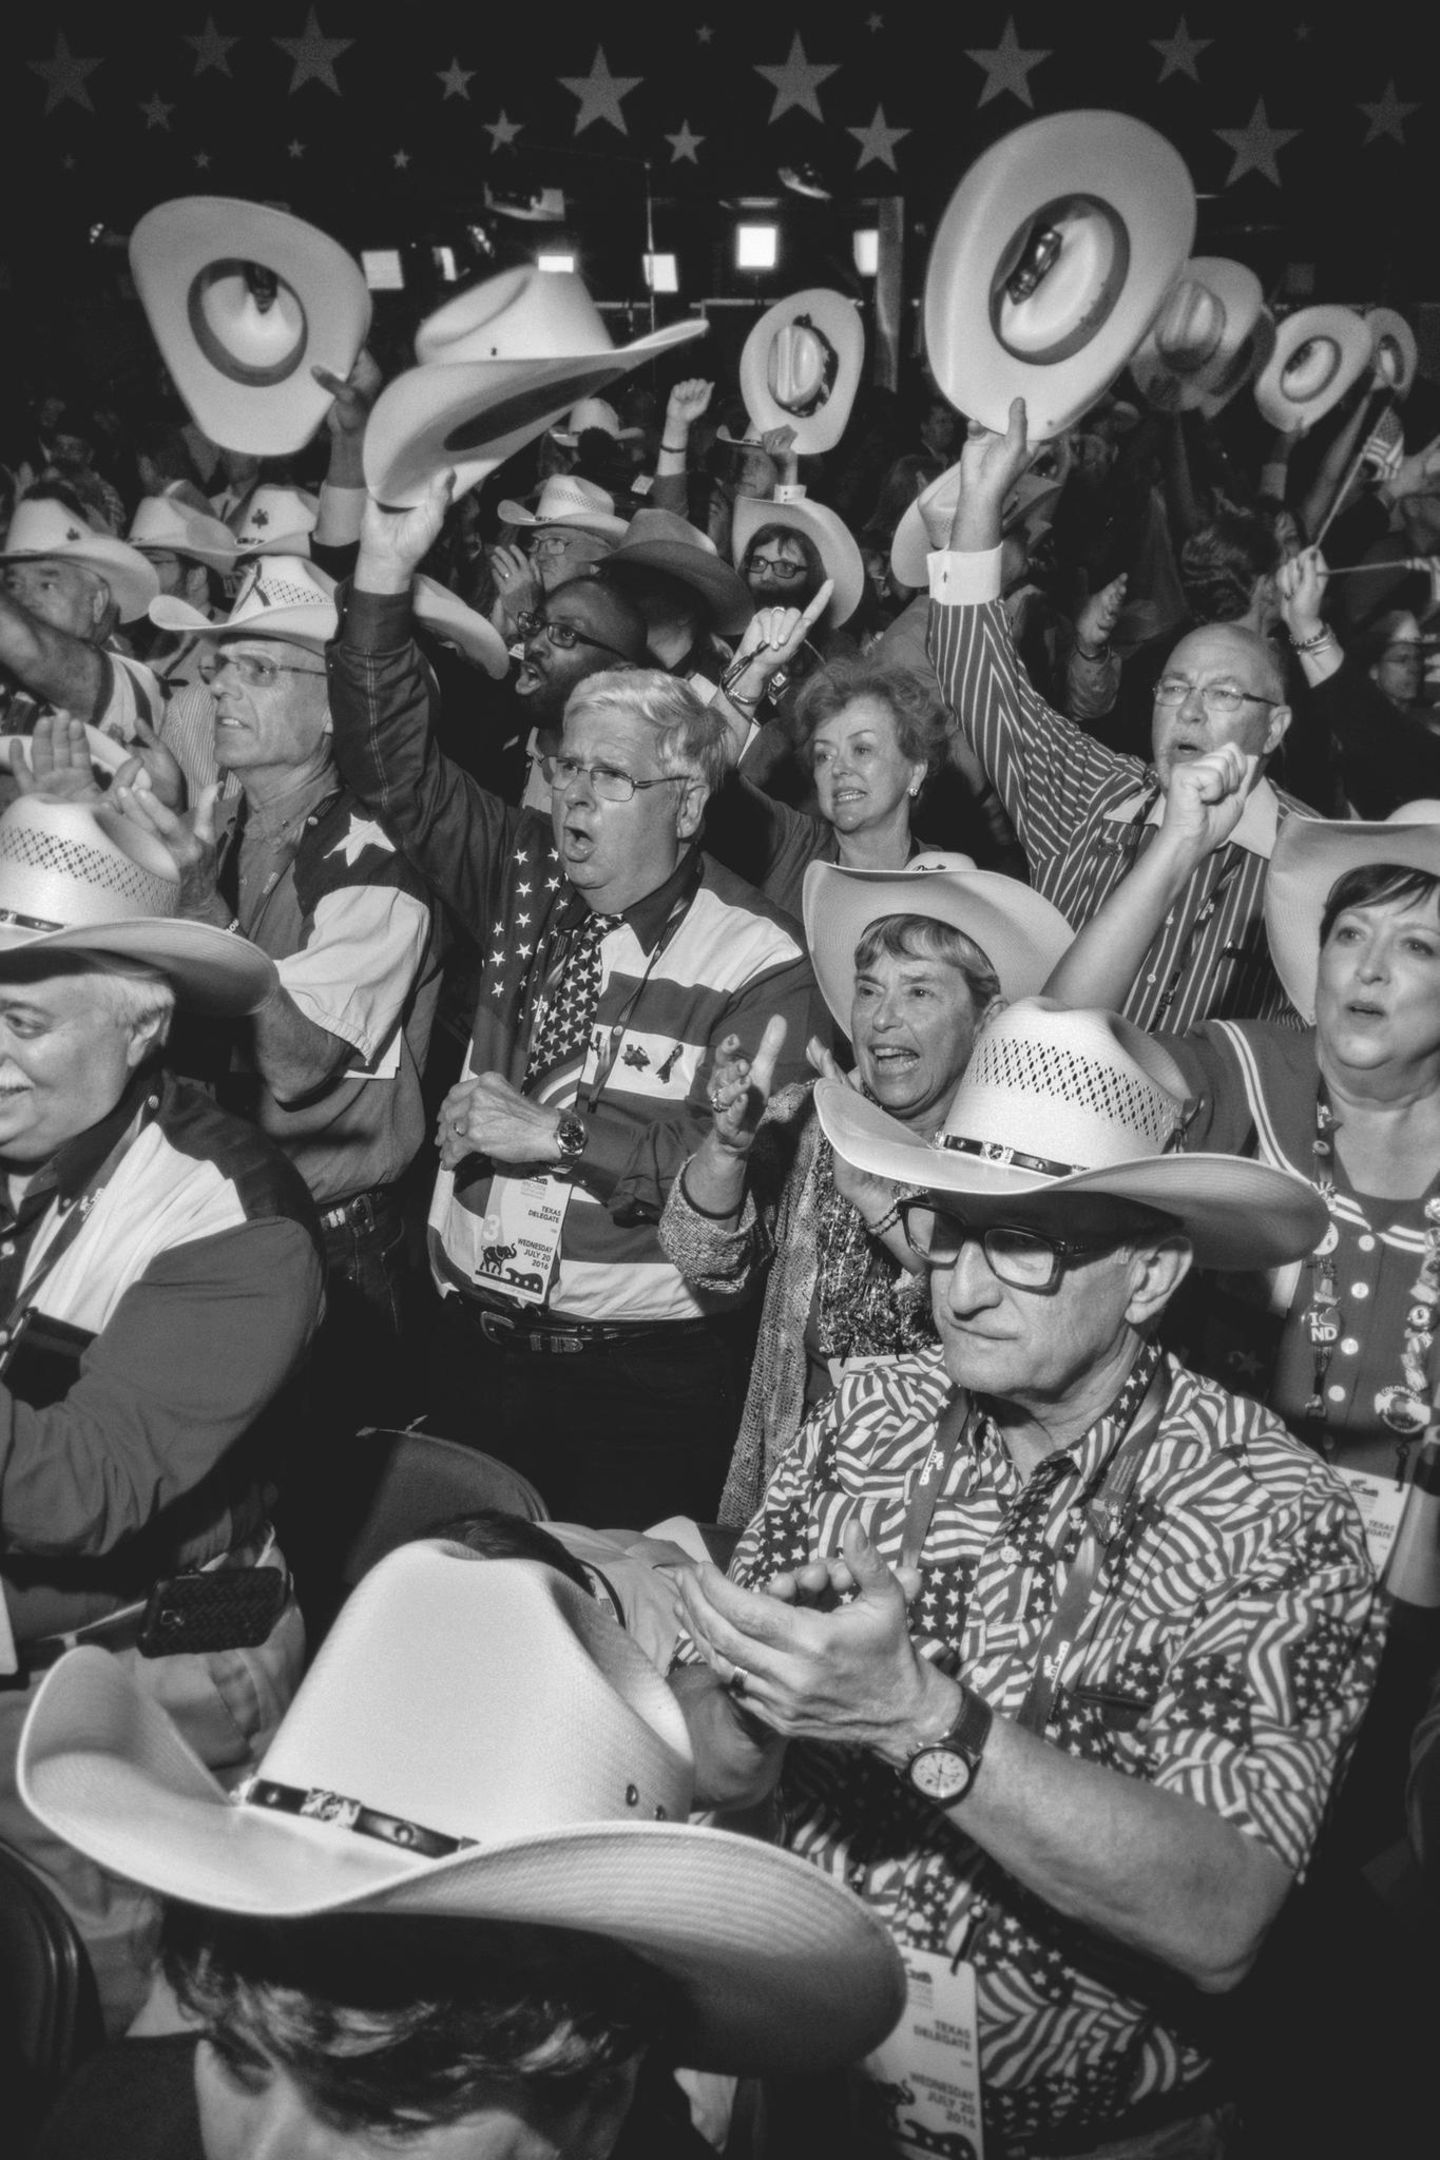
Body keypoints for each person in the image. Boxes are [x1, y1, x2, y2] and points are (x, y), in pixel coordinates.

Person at [673, 999, 1376, 2158]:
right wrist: (758, 1711)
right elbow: (702, 1749)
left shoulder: (1270, 1509)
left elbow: (1223, 1918)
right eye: (952, 1229)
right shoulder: (866, 1419)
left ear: (1150, 1276)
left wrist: (917, 1719)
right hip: (812, 2093)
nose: (960, 1288)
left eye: (1028, 1242)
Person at [21, 1541, 905, 2160]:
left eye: (380, 2118)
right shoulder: (104, 2130)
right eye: (241, 2057)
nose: (263, 2151)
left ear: (600, 2100)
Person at [327, 471, 823, 1527]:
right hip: (472, 1352)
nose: (572, 800)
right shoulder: (520, 878)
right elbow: (392, 764)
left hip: (637, 1386)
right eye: (565, 770)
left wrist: (553, 1137)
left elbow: (726, 1196)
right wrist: (380, 573)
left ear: (688, 802)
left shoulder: (759, 959)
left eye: (608, 779)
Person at [0, 785, 323, 2033]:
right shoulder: (38, 1125)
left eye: (22, 1021)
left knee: (89, 2055)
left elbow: (80, 1491)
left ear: (141, 1029)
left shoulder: (235, 1222)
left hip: (135, 1695)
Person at [111, 556, 440, 1445]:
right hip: (216, 1221)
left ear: (335, 704)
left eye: (259, 671)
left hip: (333, 1246)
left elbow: (298, 1065)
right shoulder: (216, 829)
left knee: (327, 1514)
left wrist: (193, 904)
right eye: (220, 667)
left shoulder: (374, 856)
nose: (220, 691)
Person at [661, 858, 1070, 1524]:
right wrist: (727, 1150)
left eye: (918, 993)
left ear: (987, 1016)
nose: (881, 1019)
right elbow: (701, 1253)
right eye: (869, 989)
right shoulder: (808, 1120)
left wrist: (879, 1200)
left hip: (947, 1505)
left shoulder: (1016, 1162)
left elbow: (997, 1335)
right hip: (798, 1487)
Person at [926, 399, 1310, 1030]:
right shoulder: (1095, 795)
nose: (1187, 712)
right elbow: (981, 680)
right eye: (1173, 688)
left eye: (1223, 695)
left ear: (1274, 726)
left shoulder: (1315, 860)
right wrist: (982, 496)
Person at [702, 650, 953, 917]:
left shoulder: (948, 884)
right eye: (824, 755)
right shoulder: (790, 849)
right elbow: (701, 778)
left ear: (915, 770)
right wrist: (751, 668)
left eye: (862, 749)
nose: (838, 768)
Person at [0, 491, 163, 744]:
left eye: (47, 585)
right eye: (13, 586)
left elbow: (31, 649)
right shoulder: (16, 690)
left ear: (97, 602)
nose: (24, 601)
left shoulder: (127, 679)